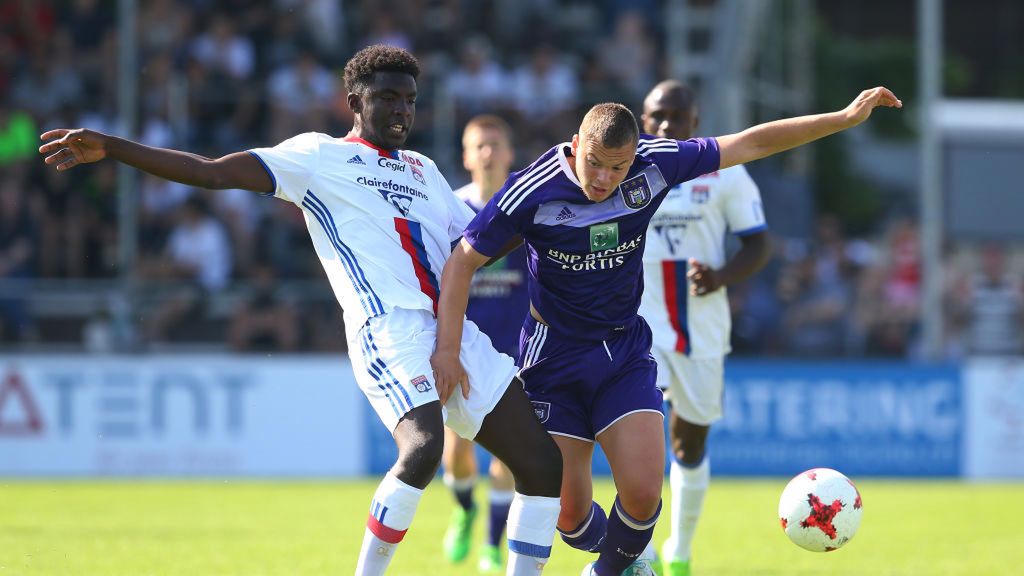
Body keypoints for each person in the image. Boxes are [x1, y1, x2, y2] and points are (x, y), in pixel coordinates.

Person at [39, 44, 563, 576]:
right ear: (354, 102)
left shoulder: (425, 171)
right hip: (389, 331)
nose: (402, 111)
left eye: (409, 100)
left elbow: (478, 245)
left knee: (543, 465)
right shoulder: (317, 157)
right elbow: (213, 172)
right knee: (425, 447)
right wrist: (112, 147)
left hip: (452, 330)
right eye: (386, 98)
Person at [432, 87, 902, 575]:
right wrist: (447, 350)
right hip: (553, 358)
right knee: (567, 514)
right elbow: (462, 263)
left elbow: (750, 144)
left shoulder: (656, 163)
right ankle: (624, 561)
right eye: (594, 163)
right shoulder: (532, 189)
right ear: (576, 143)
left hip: (623, 351)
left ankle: (610, 569)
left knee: (641, 491)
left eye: (618, 168)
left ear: (634, 155)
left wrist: (843, 117)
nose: (604, 179)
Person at [637, 81, 771, 576]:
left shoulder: (726, 173)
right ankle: (640, 551)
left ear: (696, 121)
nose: (667, 126)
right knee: (640, 440)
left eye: (677, 116)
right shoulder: (625, 170)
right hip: (638, 329)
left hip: (701, 330)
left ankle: (681, 549)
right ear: (642, 120)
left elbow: (758, 245)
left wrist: (720, 277)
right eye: (656, 116)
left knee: (687, 446)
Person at [442, 115, 529, 572]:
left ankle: (493, 544)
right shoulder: (451, 209)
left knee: (507, 458)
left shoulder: (527, 206)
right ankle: (464, 512)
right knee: (456, 455)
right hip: (467, 351)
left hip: (518, 351)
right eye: (480, 146)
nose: (489, 153)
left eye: (496, 144)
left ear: (510, 154)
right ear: (467, 156)